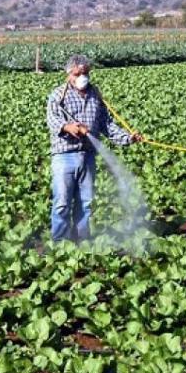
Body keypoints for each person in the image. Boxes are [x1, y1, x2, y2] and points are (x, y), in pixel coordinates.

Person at [46, 55, 143, 242]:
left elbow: (107, 125)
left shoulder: (95, 95)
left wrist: (129, 138)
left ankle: (82, 240)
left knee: (86, 203)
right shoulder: (58, 95)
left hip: (88, 155)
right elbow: (52, 120)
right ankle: (58, 245)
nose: (82, 76)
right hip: (64, 156)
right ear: (69, 74)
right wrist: (68, 127)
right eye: (78, 73)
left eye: (86, 73)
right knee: (62, 203)